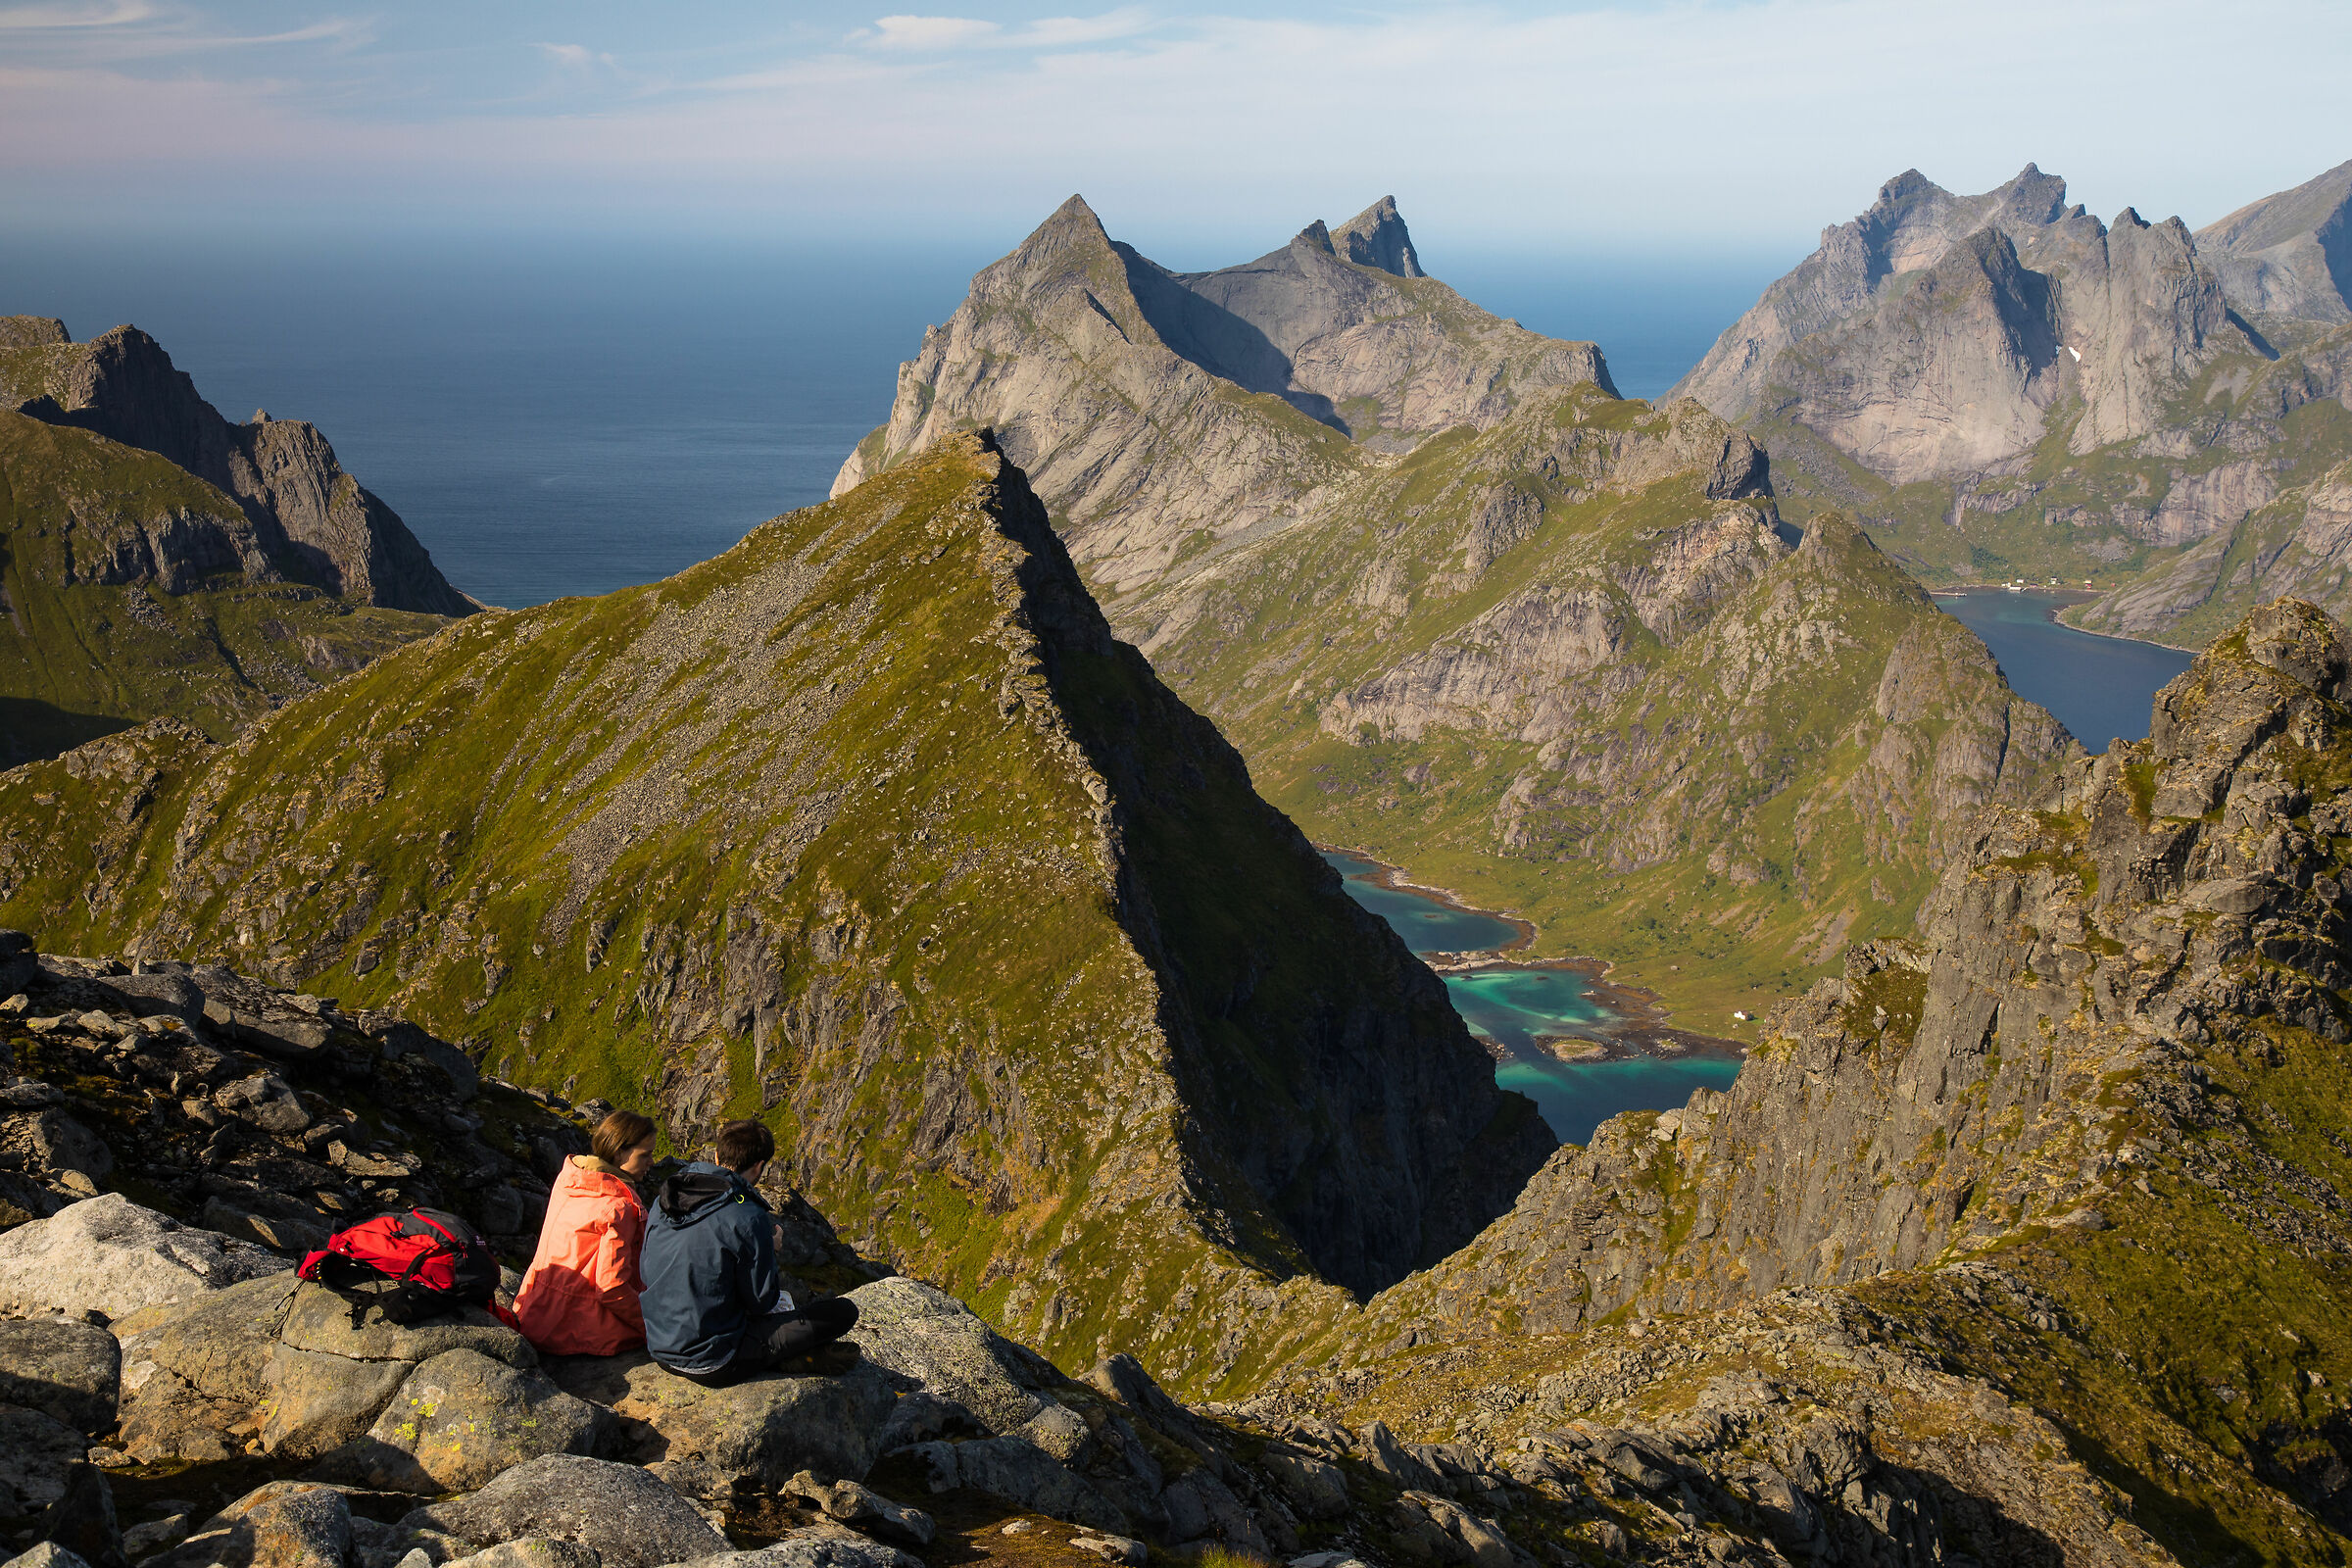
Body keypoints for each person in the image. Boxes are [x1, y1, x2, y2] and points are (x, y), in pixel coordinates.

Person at [639, 1118, 858, 1383]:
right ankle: (793, 1356)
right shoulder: (748, 1217)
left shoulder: (667, 1198)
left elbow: (646, 1270)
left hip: (660, 1347)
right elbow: (762, 1302)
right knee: (843, 1312)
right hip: (715, 1361)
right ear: (759, 1167)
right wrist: (769, 1247)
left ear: (717, 1155)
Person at [512, 1108, 657, 1356]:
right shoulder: (618, 1206)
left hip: (535, 1311)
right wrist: (653, 1327)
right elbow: (611, 1288)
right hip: (577, 1330)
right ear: (620, 1151)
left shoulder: (571, 1180)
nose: (651, 1163)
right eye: (645, 1155)